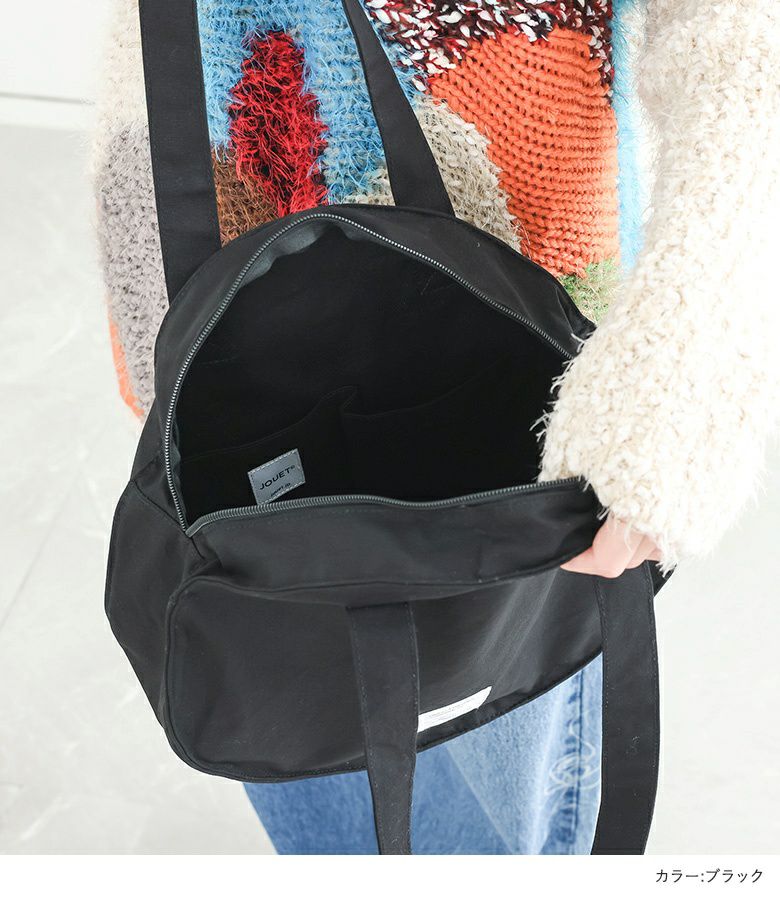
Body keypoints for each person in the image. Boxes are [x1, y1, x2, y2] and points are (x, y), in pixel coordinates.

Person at [94, 0, 780, 853]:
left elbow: (742, 37)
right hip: (210, 268)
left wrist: (686, 362)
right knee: (295, 744)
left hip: (517, 348)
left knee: (497, 783)